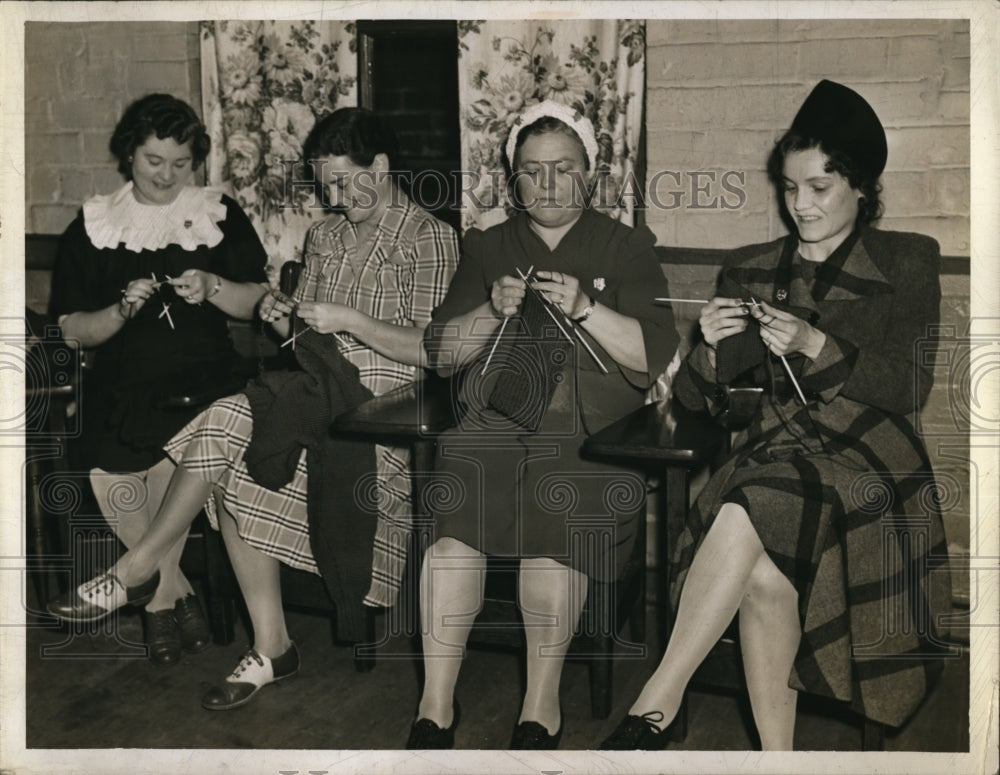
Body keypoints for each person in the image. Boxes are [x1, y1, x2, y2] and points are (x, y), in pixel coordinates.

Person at [47, 107, 460, 709]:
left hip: (380, 411)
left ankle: (137, 570)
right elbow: (304, 338)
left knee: (225, 424)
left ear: (383, 166)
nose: (338, 198)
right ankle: (274, 645)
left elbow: (430, 349)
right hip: (314, 392)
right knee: (230, 453)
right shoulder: (326, 236)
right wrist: (283, 321)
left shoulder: (431, 236)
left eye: (348, 182)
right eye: (327, 186)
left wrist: (346, 320)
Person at [600, 80, 952, 751]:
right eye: (791, 188)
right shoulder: (750, 268)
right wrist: (705, 346)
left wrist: (816, 344)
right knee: (762, 573)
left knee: (747, 500)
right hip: (777, 454)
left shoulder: (909, 261)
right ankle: (778, 761)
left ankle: (654, 704)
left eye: (820, 187)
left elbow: (909, 385)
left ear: (861, 186)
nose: (801, 205)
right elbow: (702, 405)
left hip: (867, 461)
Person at [409, 100, 678, 750]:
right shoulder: (489, 244)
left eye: (564, 168)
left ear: (591, 174)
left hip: (589, 432)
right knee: (452, 538)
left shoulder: (627, 244)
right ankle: (434, 707)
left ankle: (539, 707)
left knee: (551, 534)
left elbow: (655, 353)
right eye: (533, 171)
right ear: (514, 179)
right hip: (498, 420)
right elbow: (441, 352)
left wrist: (587, 308)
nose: (548, 184)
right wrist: (490, 311)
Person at [48, 93, 269, 666]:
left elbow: (259, 305)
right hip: (121, 382)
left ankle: (150, 596)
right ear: (129, 154)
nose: (167, 176)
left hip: (210, 379)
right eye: (153, 162)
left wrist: (214, 287)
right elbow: (73, 329)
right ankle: (170, 594)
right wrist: (120, 312)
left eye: (180, 163)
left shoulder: (218, 213)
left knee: (189, 436)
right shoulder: (95, 223)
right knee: (104, 448)